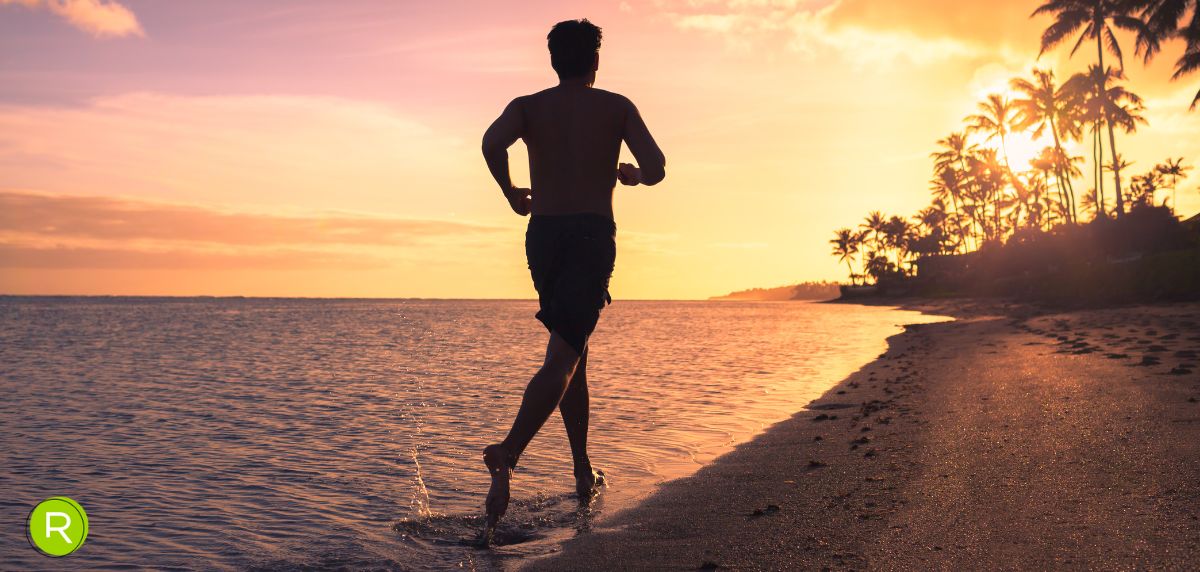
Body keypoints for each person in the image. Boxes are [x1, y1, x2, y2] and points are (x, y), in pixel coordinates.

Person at [478, 18, 666, 541]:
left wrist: (512, 192)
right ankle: (508, 453)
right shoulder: (615, 106)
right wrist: (632, 175)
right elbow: (656, 167)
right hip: (588, 236)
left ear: (553, 60)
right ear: (596, 61)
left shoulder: (528, 106)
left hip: (542, 237)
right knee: (564, 356)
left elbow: (492, 143)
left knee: (571, 350)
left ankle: (582, 470)